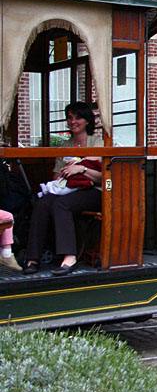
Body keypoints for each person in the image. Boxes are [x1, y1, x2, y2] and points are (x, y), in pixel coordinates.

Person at [23, 102, 103, 276]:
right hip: (68, 189)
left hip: (96, 192)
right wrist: (64, 175)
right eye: (69, 118)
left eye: (78, 117)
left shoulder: (98, 142)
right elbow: (55, 177)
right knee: (43, 202)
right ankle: (33, 258)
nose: (73, 121)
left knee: (61, 204)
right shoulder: (65, 145)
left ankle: (70, 257)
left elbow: (104, 177)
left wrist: (81, 169)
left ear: (87, 121)